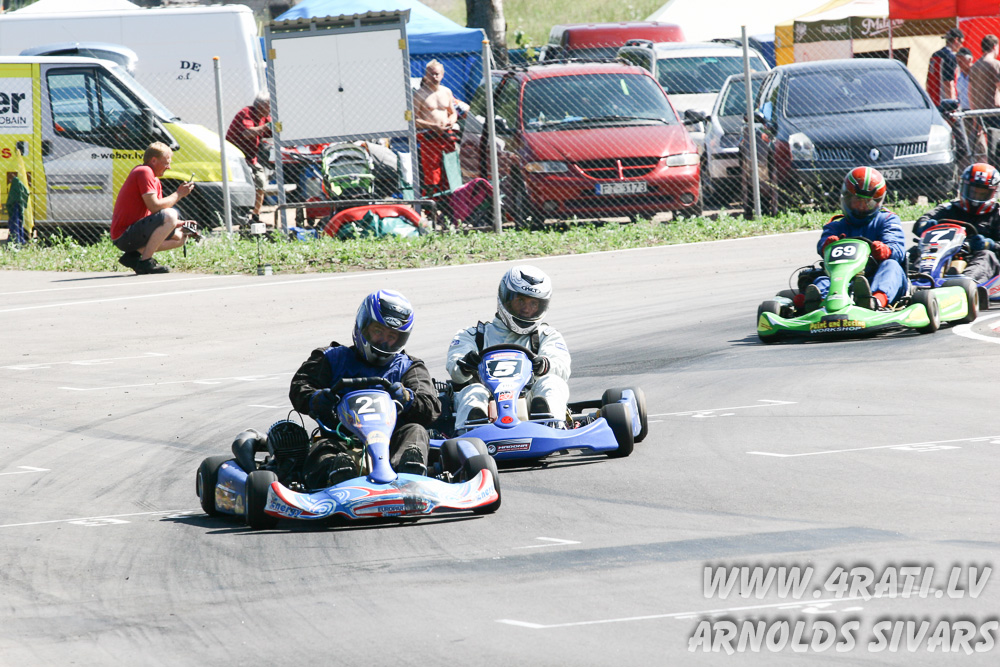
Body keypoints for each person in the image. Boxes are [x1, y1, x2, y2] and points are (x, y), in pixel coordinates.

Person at [289, 289, 440, 489]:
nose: (384, 341)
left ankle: (407, 474)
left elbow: (431, 407)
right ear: (363, 326)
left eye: (392, 336)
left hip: (391, 444)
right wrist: (315, 398)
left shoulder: (409, 367)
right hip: (341, 439)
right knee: (322, 447)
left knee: (416, 431)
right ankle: (338, 474)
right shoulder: (331, 357)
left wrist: (408, 398)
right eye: (378, 331)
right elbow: (300, 386)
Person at [446, 265, 571, 431]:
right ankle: (472, 431)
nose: (526, 309)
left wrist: (544, 365)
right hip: (487, 402)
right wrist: (466, 364)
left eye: (533, 303)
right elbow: (455, 368)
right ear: (505, 299)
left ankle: (550, 426)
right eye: (520, 301)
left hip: (529, 402)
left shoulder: (546, 335)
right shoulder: (473, 335)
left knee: (552, 382)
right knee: (474, 391)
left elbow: (561, 367)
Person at [796, 167, 907, 312]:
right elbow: (822, 245)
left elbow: (898, 248)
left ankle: (875, 302)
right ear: (847, 198)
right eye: (857, 200)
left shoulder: (887, 220)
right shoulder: (836, 225)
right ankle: (822, 304)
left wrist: (885, 251)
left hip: (875, 277)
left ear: (877, 202)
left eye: (868, 202)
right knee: (821, 279)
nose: (862, 206)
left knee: (891, 266)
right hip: (842, 280)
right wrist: (827, 245)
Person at [110, 142, 196, 275]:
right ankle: (145, 262)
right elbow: (155, 207)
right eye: (166, 163)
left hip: (136, 231)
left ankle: (132, 256)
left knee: (180, 238)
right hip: (124, 234)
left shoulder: (155, 180)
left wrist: (183, 224)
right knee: (171, 214)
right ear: (154, 160)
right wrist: (179, 194)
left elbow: (157, 214)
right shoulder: (144, 171)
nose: (169, 167)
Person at [912, 162, 1000, 284]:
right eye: (973, 192)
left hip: (977, 258)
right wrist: (925, 227)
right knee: (914, 251)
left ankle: (966, 283)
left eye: (982, 194)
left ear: (993, 193)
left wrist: (989, 244)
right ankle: (916, 279)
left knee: (987, 255)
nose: (976, 197)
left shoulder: (996, 215)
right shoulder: (949, 208)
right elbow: (921, 222)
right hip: (942, 253)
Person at [413, 60, 459, 195]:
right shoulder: (419, 94)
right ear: (426, 75)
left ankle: (452, 199)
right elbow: (414, 120)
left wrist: (451, 121)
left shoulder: (446, 92)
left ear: (442, 75)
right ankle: (433, 201)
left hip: (447, 136)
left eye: (437, 74)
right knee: (432, 173)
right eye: (431, 74)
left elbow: (452, 112)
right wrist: (433, 126)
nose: (434, 77)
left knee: (451, 169)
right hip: (429, 137)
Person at [226, 92, 272, 226]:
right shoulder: (246, 113)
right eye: (269, 106)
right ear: (262, 106)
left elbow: (271, 132)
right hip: (236, 158)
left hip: (251, 159)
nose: (271, 109)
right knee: (245, 186)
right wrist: (266, 126)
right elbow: (247, 133)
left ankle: (255, 217)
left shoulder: (264, 117)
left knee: (261, 182)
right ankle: (243, 218)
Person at [970, 34, 1000, 161]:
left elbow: (970, 92)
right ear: (994, 46)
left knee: (985, 147)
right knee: (996, 147)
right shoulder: (995, 64)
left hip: (980, 112)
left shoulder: (975, 66)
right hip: (994, 111)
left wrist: (974, 114)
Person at [927, 27, 964, 107]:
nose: (961, 46)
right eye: (961, 42)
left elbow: (928, 81)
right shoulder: (950, 56)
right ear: (956, 40)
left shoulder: (935, 55)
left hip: (933, 99)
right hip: (944, 102)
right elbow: (948, 82)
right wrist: (952, 104)